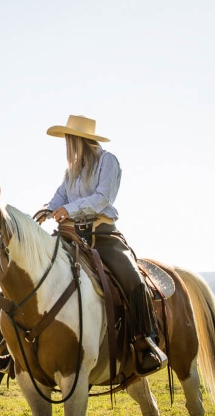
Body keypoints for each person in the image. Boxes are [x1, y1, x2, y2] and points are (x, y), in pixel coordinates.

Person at [26, 115, 167, 375]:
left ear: (79, 141)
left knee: (132, 279)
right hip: (71, 236)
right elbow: (58, 197)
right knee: (39, 272)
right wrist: (47, 210)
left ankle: (145, 341)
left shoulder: (107, 161)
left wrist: (67, 209)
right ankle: (14, 344)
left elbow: (102, 198)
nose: (67, 146)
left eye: (69, 140)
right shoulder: (71, 172)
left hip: (103, 236)